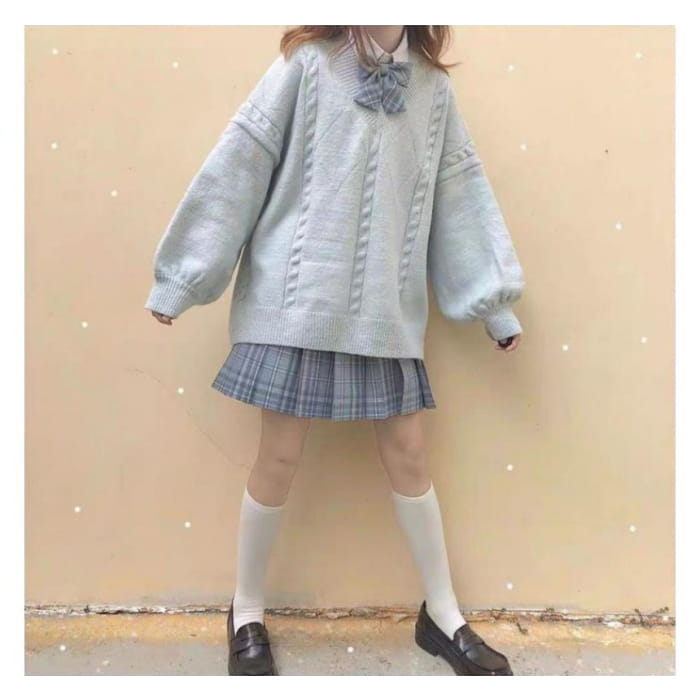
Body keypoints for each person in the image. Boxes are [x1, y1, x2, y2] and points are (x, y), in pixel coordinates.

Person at [145, 25, 524, 676]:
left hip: (385, 315)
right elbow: (241, 161)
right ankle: (246, 609)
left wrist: (494, 306)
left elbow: (460, 197)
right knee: (278, 456)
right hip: (293, 307)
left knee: (409, 455)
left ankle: (442, 614)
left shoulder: (434, 92)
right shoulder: (306, 66)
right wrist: (183, 278)